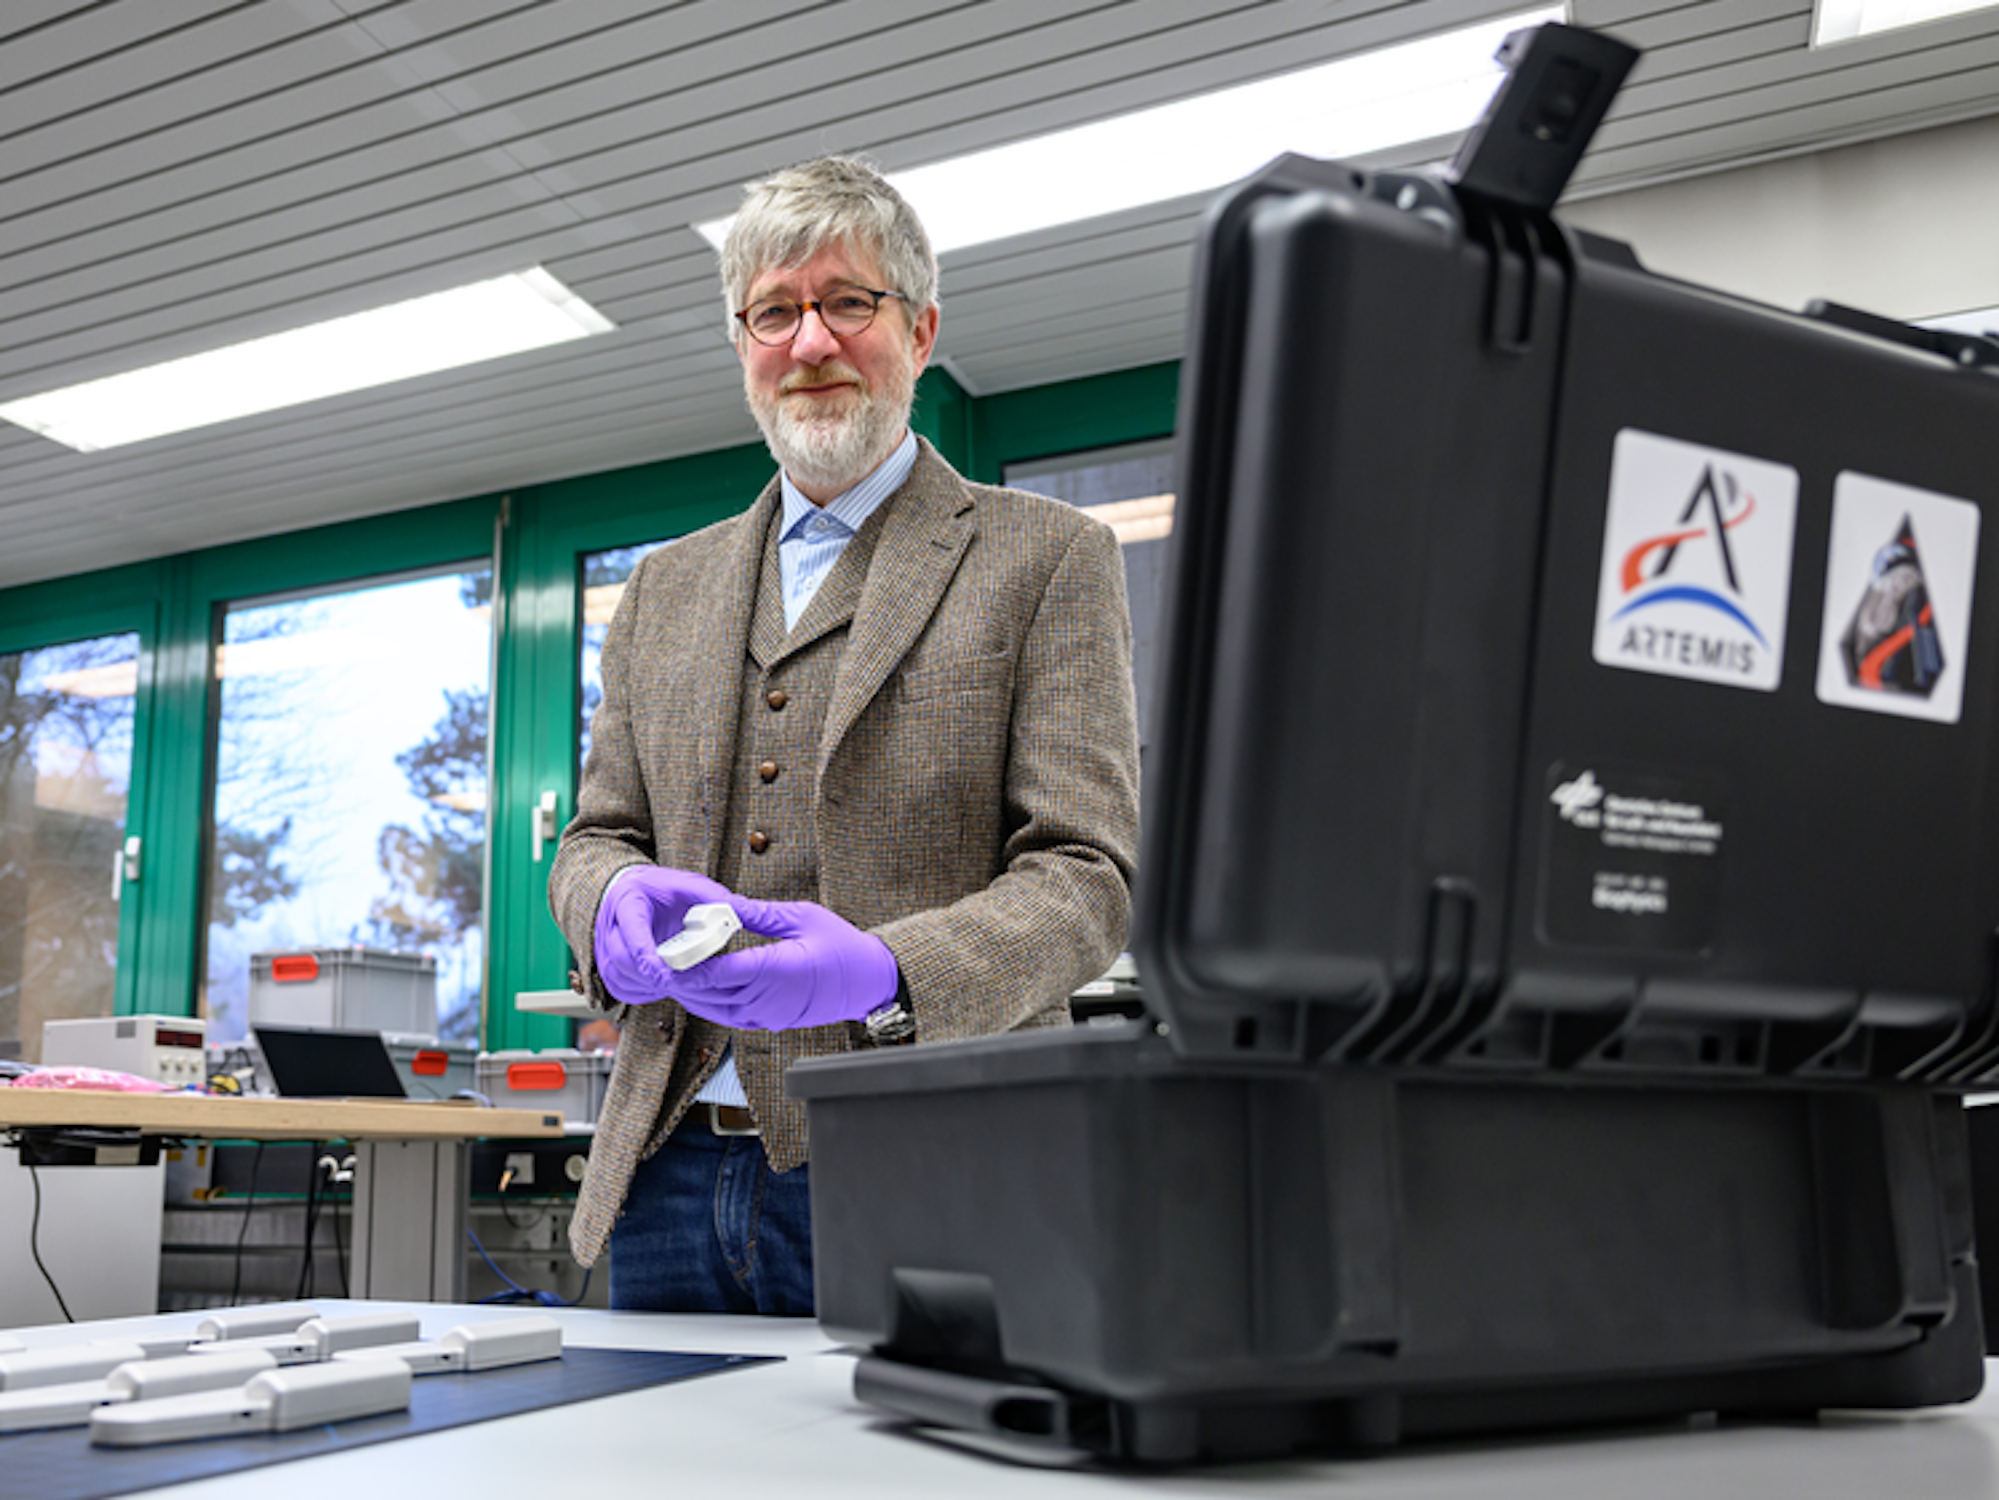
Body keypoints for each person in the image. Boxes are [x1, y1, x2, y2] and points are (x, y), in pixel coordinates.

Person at [548, 155, 1142, 1314]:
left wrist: (888, 973)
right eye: (774, 311)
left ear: (918, 331)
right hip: (666, 1173)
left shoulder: (1049, 558)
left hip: (931, 1161)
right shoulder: (664, 589)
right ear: (741, 346)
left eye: (847, 303)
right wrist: (600, 905)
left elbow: (1087, 876)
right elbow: (594, 834)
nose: (809, 341)